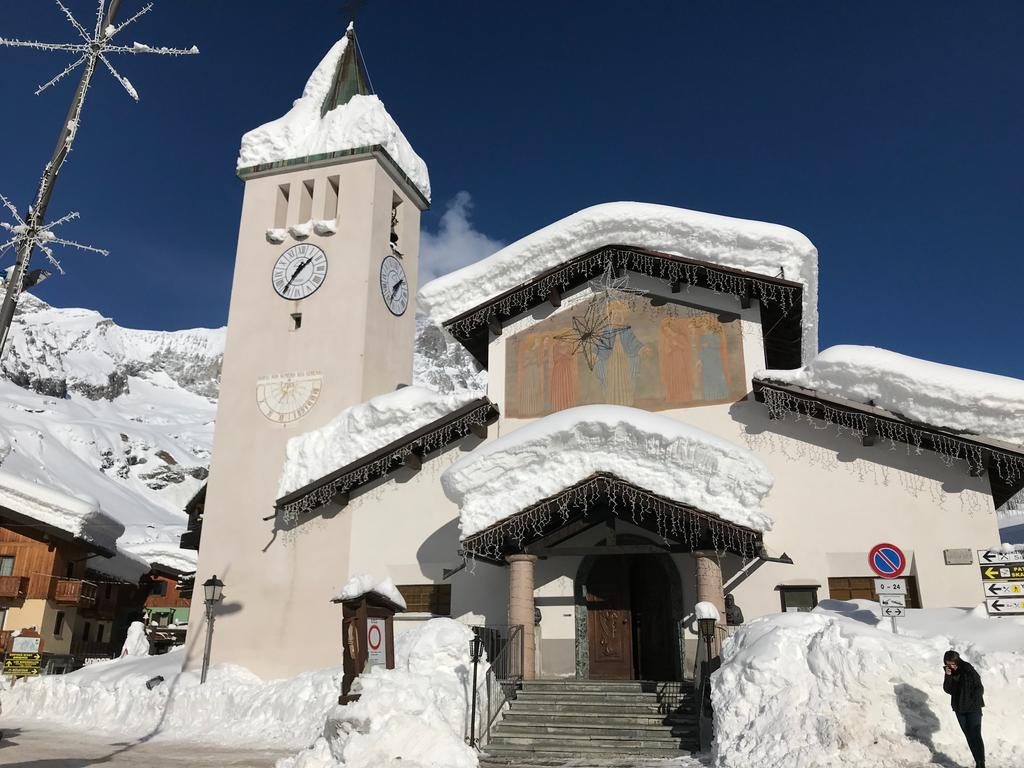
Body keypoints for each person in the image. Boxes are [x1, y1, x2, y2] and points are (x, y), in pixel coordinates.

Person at [943, 650, 985, 768]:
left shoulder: (967, 669)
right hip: (959, 709)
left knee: (975, 734)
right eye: (948, 664)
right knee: (969, 736)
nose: (951, 666)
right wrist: (948, 676)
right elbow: (947, 689)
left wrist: (973, 700)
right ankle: (977, 762)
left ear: (957, 661)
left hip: (972, 708)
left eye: (952, 663)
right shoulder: (950, 673)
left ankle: (981, 763)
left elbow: (979, 687)